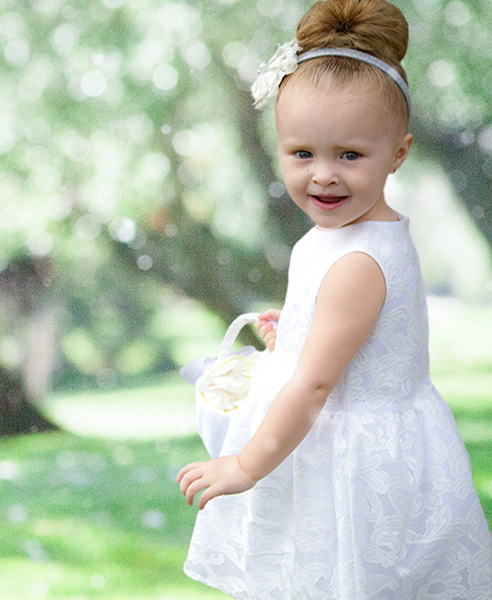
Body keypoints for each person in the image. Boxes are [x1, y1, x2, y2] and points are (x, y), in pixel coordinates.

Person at [175, 1, 492, 598]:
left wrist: (244, 466)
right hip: (341, 436)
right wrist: (291, 334)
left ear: (399, 152)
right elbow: (341, 346)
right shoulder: (337, 237)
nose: (323, 175)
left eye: (349, 155)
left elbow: (316, 386)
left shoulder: (357, 262)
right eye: (302, 154)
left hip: (353, 456)